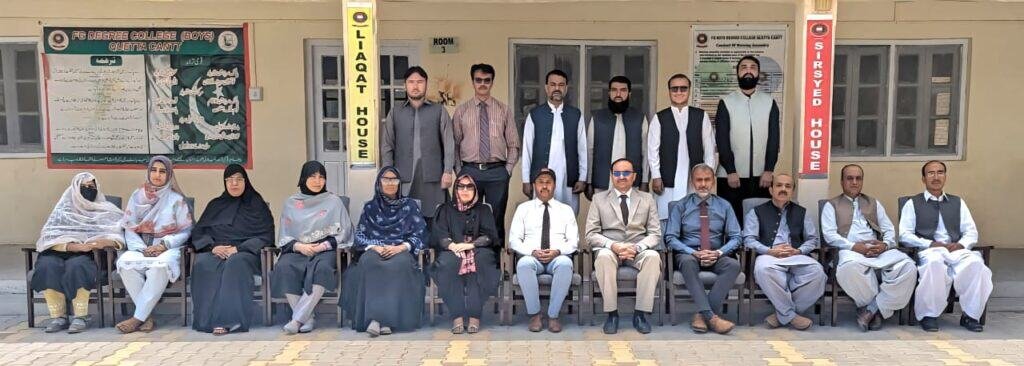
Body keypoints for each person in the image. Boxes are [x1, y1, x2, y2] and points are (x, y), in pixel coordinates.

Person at [822, 164, 916, 332]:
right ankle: (875, 311)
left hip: (877, 249)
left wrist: (885, 244)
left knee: (908, 267)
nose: (854, 182)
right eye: (849, 178)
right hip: (850, 250)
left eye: (858, 178)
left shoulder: (873, 202)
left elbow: (888, 229)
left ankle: (870, 310)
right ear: (842, 181)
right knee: (848, 269)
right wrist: (854, 246)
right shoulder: (831, 205)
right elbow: (829, 235)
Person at [899, 161, 990, 332]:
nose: (936, 177)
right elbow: (904, 235)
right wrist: (930, 243)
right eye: (931, 173)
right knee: (934, 264)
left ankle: (970, 316)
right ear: (923, 179)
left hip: (956, 250)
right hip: (930, 250)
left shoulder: (958, 202)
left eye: (940, 172)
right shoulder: (913, 203)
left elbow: (971, 231)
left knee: (977, 265)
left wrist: (962, 244)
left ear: (945, 177)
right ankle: (929, 315)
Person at [33, 172, 124, 333]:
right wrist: (74, 246)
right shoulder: (63, 210)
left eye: (91, 187)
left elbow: (120, 235)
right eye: (83, 187)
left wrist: (106, 242)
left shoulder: (107, 210)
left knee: (78, 265)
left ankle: (80, 316)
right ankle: (58, 317)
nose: (88, 190)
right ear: (75, 189)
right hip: (60, 250)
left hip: (89, 255)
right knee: (47, 265)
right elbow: (48, 237)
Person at [190, 164, 275, 335]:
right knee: (202, 263)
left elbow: (266, 235)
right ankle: (206, 321)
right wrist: (213, 247)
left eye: (238, 180)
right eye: (230, 180)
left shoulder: (257, 205)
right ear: (225, 182)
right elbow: (199, 232)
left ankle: (232, 321)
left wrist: (239, 248)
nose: (234, 184)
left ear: (246, 181)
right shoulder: (215, 204)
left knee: (235, 264)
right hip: (217, 250)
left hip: (246, 253)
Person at [344, 167, 428, 337]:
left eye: (394, 180)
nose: (390, 183)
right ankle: (382, 322)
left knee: (399, 264)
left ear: (399, 183)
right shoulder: (370, 208)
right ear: (379, 183)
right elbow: (359, 235)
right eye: (386, 179)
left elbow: (421, 233)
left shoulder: (409, 206)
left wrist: (401, 247)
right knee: (369, 262)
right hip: (376, 248)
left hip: (400, 249)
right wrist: (374, 246)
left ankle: (379, 321)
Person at [271, 161, 352, 334]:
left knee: (322, 268)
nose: (317, 181)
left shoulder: (333, 201)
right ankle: (307, 317)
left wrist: (320, 247)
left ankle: (297, 319)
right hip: (298, 249)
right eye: (313, 176)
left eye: (321, 177)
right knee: (284, 267)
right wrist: (300, 246)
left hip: (325, 250)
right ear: (303, 178)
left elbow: (344, 231)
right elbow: (285, 234)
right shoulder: (291, 203)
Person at [116, 156, 193, 333]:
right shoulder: (137, 196)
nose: (157, 175)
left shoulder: (176, 200)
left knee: (161, 266)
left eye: (162, 171)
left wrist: (163, 245)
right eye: (154, 170)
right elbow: (128, 226)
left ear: (169, 175)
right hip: (140, 246)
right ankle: (146, 317)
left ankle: (137, 318)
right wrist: (142, 249)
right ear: (148, 172)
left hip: (167, 247)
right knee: (125, 264)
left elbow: (186, 231)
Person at [585, 159, 662, 334]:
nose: (621, 177)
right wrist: (613, 246)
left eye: (626, 173)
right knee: (603, 257)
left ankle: (640, 314)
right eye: (617, 173)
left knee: (653, 257)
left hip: (638, 249)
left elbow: (655, 234)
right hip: (611, 249)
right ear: (611, 176)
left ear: (634, 176)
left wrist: (637, 248)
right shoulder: (598, 199)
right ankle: (612, 314)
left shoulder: (647, 199)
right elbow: (591, 234)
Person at [664, 163, 740, 335]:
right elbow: (670, 237)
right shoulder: (681, 206)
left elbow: (736, 237)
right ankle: (711, 317)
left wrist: (719, 252)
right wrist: (693, 252)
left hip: (716, 254)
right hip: (688, 254)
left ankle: (702, 315)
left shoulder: (725, 206)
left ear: (713, 181)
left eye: (707, 180)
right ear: (692, 182)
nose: (703, 184)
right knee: (689, 262)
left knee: (733, 265)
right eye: (699, 180)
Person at [742, 173, 825, 330]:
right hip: (769, 255)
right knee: (763, 270)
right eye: (779, 185)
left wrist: (799, 250)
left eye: (788, 186)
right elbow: (748, 239)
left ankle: (782, 315)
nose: (783, 189)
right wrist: (769, 251)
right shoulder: (756, 212)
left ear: (792, 190)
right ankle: (790, 316)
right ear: (771, 189)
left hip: (796, 255)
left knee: (818, 272)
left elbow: (812, 239)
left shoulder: (802, 212)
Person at [452, 63, 520, 243]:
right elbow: (455, 145)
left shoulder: (503, 110)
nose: (483, 84)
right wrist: (459, 171)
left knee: (495, 219)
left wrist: (507, 170)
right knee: (465, 217)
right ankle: (468, 262)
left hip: (496, 172)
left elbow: (514, 144)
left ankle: (496, 264)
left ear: (492, 82)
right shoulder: (462, 111)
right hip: (469, 171)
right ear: (472, 82)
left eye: (487, 80)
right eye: (478, 80)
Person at [380, 66, 456, 220]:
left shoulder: (439, 110)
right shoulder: (395, 112)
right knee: (404, 218)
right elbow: (387, 145)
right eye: (411, 82)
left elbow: (449, 143)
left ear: (426, 84)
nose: (415, 86)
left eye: (420, 82)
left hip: (433, 176)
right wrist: (388, 174)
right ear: (405, 85)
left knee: (434, 218)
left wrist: (448, 171)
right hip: (403, 177)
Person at [428, 174, 500, 334]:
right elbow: (439, 234)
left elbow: (490, 236)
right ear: (456, 189)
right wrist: (452, 245)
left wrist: (470, 245)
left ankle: (475, 316)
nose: (465, 190)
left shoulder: (483, 210)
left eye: (470, 187)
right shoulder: (445, 209)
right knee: (448, 264)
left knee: (480, 263)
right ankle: (457, 316)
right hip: (452, 249)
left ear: (475, 190)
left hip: (478, 249)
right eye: (461, 186)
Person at [509, 169, 578, 333]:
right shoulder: (523, 209)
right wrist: (532, 251)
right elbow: (514, 240)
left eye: (548, 182)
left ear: (554, 186)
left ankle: (553, 315)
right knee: (524, 264)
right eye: (540, 182)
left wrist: (557, 251)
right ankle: (535, 315)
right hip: (532, 257)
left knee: (565, 263)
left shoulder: (566, 210)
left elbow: (574, 241)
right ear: (534, 185)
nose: (544, 186)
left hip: (557, 257)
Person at [714, 55, 781, 224]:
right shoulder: (726, 102)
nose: (748, 71)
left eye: (753, 67)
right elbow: (722, 140)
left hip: (761, 177)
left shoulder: (769, 102)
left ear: (758, 73)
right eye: (743, 67)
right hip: (731, 176)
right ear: (737, 73)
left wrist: (768, 169)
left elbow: (774, 139)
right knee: (731, 221)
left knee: (760, 221)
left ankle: (757, 251)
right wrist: (730, 170)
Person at [648, 73, 716, 221]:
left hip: (694, 181)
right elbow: (652, 150)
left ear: (689, 90)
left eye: (683, 88)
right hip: (667, 180)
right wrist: (656, 176)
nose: (679, 92)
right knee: (666, 219)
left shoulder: (700, 115)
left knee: (694, 220)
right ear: (669, 91)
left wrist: (708, 175)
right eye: (675, 89)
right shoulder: (660, 117)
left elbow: (709, 148)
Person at [521, 69, 588, 214]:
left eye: (561, 85)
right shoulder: (535, 115)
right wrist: (526, 180)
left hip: (568, 178)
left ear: (566, 88)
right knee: (540, 218)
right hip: (541, 179)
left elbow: (582, 148)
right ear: (546, 88)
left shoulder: (575, 115)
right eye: (553, 84)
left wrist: (582, 177)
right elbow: (527, 150)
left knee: (568, 217)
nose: (557, 88)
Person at [586, 76, 648, 198]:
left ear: (629, 94)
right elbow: (589, 151)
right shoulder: (598, 118)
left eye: (623, 90)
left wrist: (645, 181)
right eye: (614, 90)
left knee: (630, 217)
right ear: (609, 93)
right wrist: (588, 182)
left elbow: (645, 152)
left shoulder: (640, 118)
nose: (618, 94)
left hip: (632, 184)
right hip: (603, 183)